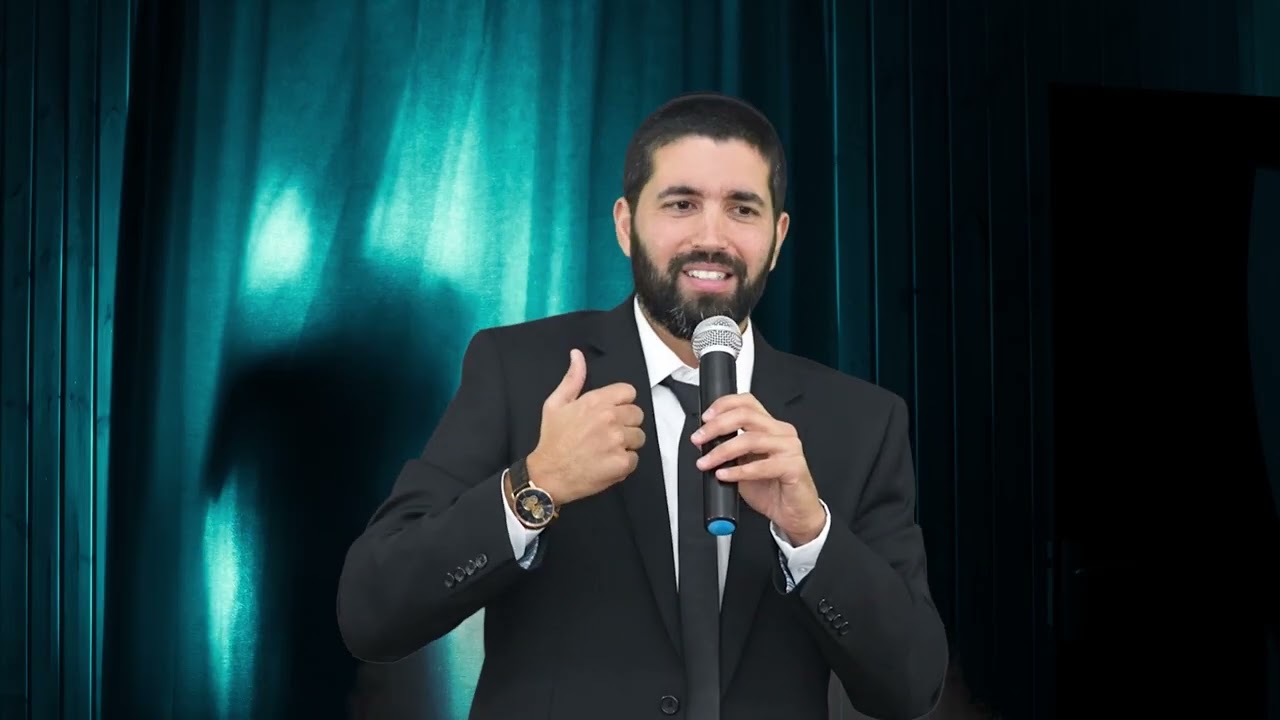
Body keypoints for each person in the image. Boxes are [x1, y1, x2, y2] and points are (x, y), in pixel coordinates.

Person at [336, 92, 949, 720]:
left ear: (777, 237)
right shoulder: (520, 372)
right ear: (626, 225)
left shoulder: (861, 422)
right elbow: (372, 614)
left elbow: (910, 687)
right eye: (681, 204)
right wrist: (535, 485)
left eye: (742, 209)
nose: (711, 238)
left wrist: (810, 533)